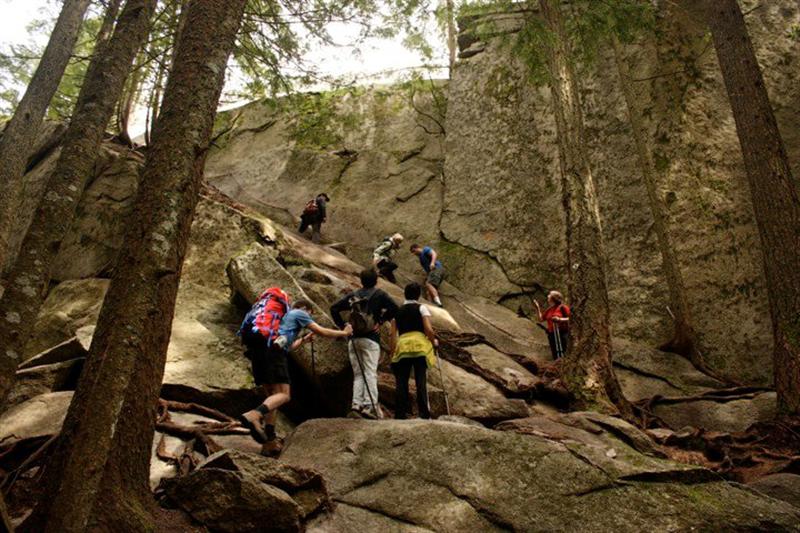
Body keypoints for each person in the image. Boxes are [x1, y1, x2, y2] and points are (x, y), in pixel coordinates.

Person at [239, 299, 352, 456]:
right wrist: (345, 332)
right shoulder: (299, 313)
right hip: (274, 355)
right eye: (311, 314)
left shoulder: (280, 320)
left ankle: (269, 442)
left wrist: (304, 340)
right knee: (284, 395)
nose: (309, 317)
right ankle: (254, 415)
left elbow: (289, 347)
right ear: (306, 309)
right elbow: (322, 331)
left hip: (258, 354)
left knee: (273, 399)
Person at [331, 268, 398, 419]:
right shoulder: (380, 294)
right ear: (376, 280)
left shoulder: (354, 295)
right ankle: (369, 406)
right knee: (370, 373)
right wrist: (380, 320)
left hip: (353, 340)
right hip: (371, 339)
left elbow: (334, 308)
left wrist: (343, 327)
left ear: (361, 281)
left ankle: (356, 404)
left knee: (358, 374)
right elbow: (395, 308)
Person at [388, 282, 437, 419]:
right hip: (419, 347)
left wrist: (392, 352)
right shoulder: (422, 308)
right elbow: (428, 329)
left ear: (405, 294)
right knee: (420, 380)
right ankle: (424, 413)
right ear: (419, 295)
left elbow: (392, 334)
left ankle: (400, 413)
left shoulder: (397, 311)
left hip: (403, 347)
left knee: (402, 381)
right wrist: (433, 342)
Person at [534, 291, 571, 360]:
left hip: (562, 333)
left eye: (549, 295)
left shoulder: (563, 307)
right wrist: (537, 308)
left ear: (554, 298)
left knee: (563, 352)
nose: (548, 296)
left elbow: (571, 319)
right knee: (555, 353)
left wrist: (559, 319)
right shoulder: (550, 309)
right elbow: (541, 319)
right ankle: (557, 367)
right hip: (552, 334)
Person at [410, 243, 445, 308]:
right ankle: (431, 306)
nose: (414, 254)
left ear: (417, 248)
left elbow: (434, 254)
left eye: (414, 251)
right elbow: (427, 269)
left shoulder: (425, 250)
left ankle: (438, 302)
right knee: (428, 291)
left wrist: (432, 263)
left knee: (428, 284)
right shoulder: (421, 258)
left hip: (436, 268)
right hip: (433, 272)